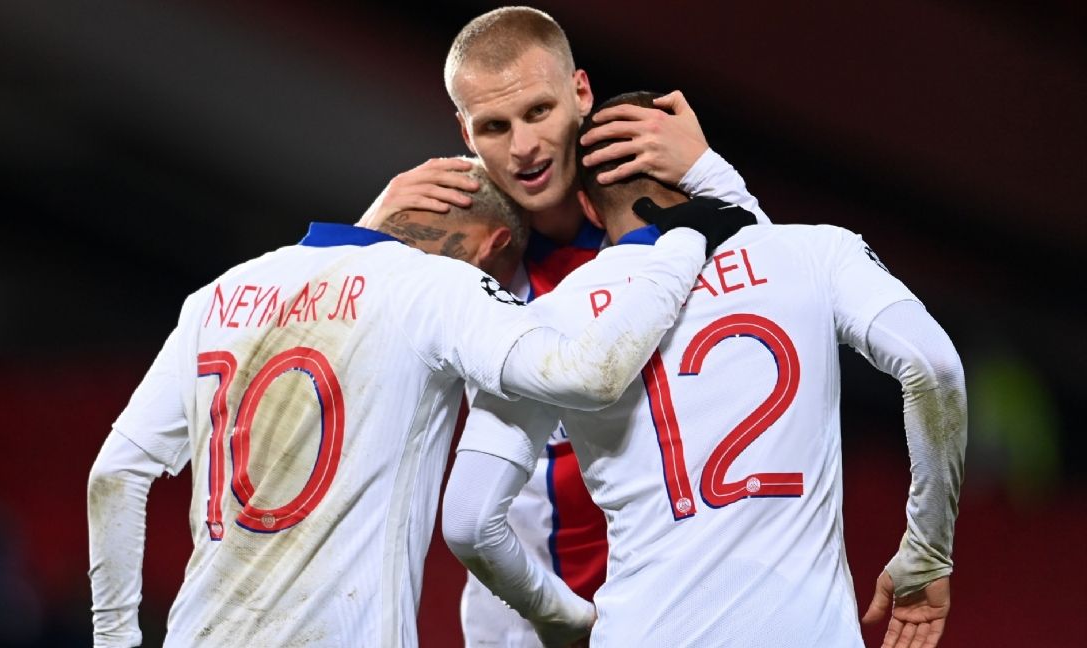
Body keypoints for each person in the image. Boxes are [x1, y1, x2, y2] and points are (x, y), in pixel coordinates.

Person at [85, 158, 734, 647]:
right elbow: (589, 373)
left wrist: (114, 639)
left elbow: (115, 474)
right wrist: (680, 243)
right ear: (494, 246)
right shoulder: (437, 288)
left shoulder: (219, 295)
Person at [441, 92, 967, 648]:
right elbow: (934, 366)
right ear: (692, 170)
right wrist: (927, 550)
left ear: (590, 209)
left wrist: (559, 615)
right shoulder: (814, 252)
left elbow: (470, 522)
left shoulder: (548, 320)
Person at [359, 8, 773, 646]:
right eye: (495, 126)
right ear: (466, 132)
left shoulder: (663, 213)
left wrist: (709, 173)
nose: (523, 147)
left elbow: (779, 300)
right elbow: (330, 363)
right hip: (531, 624)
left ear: (581, 92)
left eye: (538, 111)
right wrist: (366, 238)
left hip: (681, 610)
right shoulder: (463, 250)